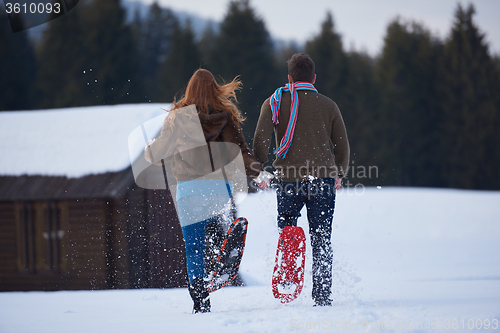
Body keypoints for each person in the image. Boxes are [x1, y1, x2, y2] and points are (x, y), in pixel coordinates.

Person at [145, 69, 267, 313]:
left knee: (193, 247)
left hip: (188, 191)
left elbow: (156, 153)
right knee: (213, 228)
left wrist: (150, 149)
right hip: (217, 189)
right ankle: (220, 251)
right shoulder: (225, 116)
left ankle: (200, 299)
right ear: (215, 89)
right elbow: (241, 151)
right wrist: (259, 173)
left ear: (189, 90)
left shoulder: (177, 117)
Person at [253, 53, 350, 306]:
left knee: (287, 232)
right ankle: (322, 295)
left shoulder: (273, 103)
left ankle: (287, 282)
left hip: (287, 180)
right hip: (323, 180)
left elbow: (260, 140)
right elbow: (342, 145)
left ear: (289, 78)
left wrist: (258, 168)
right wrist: (339, 171)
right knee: (321, 237)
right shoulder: (329, 105)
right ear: (313, 78)